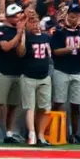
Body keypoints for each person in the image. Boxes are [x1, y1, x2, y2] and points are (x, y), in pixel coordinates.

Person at [0, 3, 27, 144]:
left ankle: (9, 133)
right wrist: (18, 34)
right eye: (16, 15)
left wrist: (21, 35)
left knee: (13, 105)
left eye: (19, 15)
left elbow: (21, 52)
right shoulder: (1, 30)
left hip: (17, 71)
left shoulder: (22, 31)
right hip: (3, 70)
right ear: (9, 17)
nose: (18, 18)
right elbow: (5, 47)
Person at [51, 4, 80, 143]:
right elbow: (55, 51)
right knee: (59, 102)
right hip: (61, 69)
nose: (74, 19)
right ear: (67, 16)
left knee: (76, 104)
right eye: (72, 16)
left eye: (77, 16)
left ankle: (74, 134)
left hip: (77, 70)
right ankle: (56, 130)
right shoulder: (59, 32)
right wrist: (71, 48)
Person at [19, 10, 54, 146]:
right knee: (30, 107)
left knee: (45, 108)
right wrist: (21, 34)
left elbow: (50, 56)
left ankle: (41, 135)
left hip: (44, 76)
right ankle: (32, 134)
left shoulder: (46, 37)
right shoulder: (26, 36)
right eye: (31, 21)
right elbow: (21, 53)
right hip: (28, 76)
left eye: (35, 21)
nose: (34, 24)